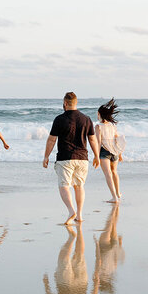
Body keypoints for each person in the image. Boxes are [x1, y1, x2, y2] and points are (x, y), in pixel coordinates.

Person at [43, 92, 100, 225]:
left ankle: (70, 210)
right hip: (82, 158)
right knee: (79, 186)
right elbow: (92, 139)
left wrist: (46, 156)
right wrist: (96, 156)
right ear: (76, 103)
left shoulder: (59, 119)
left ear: (65, 103)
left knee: (64, 186)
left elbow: (51, 140)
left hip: (65, 158)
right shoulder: (86, 119)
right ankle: (79, 215)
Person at [96, 98, 122, 203]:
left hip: (104, 151)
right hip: (115, 151)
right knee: (114, 172)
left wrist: (96, 156)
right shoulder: (112, 125)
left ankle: (114, 197)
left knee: (108, 174)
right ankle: (118, 193)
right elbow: (117, 139)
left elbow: (98, 142)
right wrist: (120, 153)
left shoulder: (98, 126)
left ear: (99, 114)